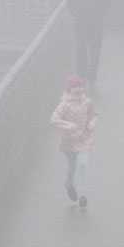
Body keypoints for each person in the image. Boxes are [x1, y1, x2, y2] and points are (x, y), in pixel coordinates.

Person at [49, 75, 98, 208]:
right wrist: (68, 126)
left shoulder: (87, 102)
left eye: (79, 86)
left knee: (83, 164)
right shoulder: (64, 104)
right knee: (72, 167)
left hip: (84, 139)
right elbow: (53, 119)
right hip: (69, 142)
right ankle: (69, 184)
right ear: (69, 89)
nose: (77, 89)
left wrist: (91, 125)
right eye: (74, 87)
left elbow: (94, 114)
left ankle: (82, 195)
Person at [66, 0, 112, 88]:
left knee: (95, 52)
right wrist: (77, 14)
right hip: (81, 23)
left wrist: (101, 13)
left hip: (96, 24)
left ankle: (92, 78)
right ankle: (81, 77)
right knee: (81, 51)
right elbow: (70, 2)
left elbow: (108, 0)